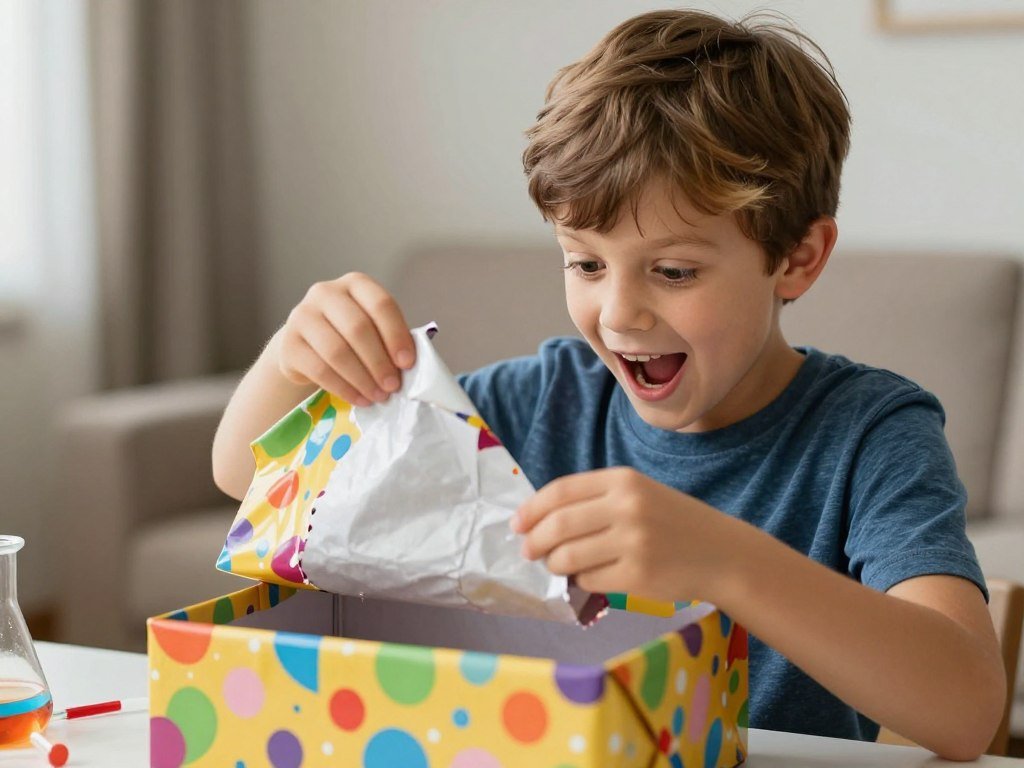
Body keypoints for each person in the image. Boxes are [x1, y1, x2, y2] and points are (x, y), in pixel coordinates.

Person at [211, 8, 1004, 759]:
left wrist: (725, 561)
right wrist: (293, 355)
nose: (619, 313)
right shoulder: (544, 398)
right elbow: (246, 476)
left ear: (796, 258)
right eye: (586, 262)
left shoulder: (872, 433)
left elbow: (968, 710)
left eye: (673, 270)